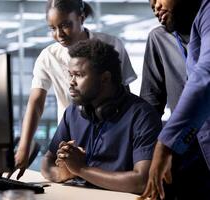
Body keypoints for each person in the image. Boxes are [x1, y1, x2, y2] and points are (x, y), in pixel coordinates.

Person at [14, 0, 137, 179]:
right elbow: (36, 102)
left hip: (111, 138)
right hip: (70, 139)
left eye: (65, 25)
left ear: (81, 17)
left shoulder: (111, 45)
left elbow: (125, 95)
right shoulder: (48, 57)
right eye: (52, 28)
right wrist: (23, 148)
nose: (59, 34)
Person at [41, 39, 161, 194]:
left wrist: (81, 169)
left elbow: (143, 181)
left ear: (105, 78)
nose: (71, 82)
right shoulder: (73, 112)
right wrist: (62, 174)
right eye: (70, 75)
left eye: (78, 75)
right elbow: (47, 162)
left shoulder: (142, 116)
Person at [140, 0, 210, 199]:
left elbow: (204, 77)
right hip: (183, 149)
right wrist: (146, 154)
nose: (154, 6)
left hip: (174, 142)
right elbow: (150, 103)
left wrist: (165, 145)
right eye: (150, 3)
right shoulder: (158, 39)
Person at [140, 0, 188, 115]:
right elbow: (151, 99)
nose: (156, 8)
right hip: (184, 129)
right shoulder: (159, 39)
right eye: (152, 8)